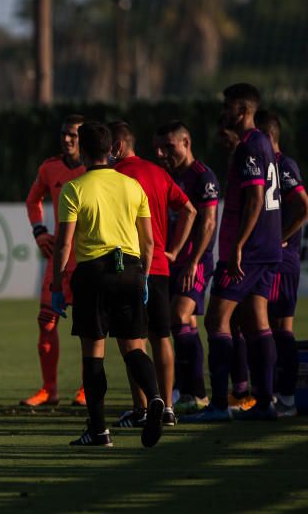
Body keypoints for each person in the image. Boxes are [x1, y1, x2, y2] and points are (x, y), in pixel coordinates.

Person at [50, 122, 164, 447]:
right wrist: (142, 277)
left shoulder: (74, 189)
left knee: (93, 354)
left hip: (94, 274)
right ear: (113, 149)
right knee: (133, 348)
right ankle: (155, 397)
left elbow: (64, 245)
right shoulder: (133, 187)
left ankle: (99, 430)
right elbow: (150, 243)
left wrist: (57, 285)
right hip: (130, 269)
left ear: (83, 152)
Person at [186, 83, 282, 422]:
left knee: (216, 320)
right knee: (257, 321)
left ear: (241, 110)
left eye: (228, 106)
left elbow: (256, 199)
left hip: (248, 250)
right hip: (265, 247)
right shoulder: (260, 143)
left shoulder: (250, 146)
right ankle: (266, 402)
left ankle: (218, 405)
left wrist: (239, 245)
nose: (223, 112)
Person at [110, 121, 196, 428]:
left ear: (116, 147)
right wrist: (172, 250)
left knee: (132, 341)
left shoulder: (115, 176)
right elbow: (190, 211)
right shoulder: (159, 173)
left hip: (128, 266)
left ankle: (142, 408)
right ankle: (169, 408)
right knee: (162, 336)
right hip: (159, 265)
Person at [154, 121, 220, 415]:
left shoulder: (202, 177)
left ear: (186, 143)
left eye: (169, 147)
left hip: (196, 261)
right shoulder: (168, 176)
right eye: (159, 147)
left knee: (179, 316)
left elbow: (208, 222)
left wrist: (194, 261)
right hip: (171, 261)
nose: (162, 153)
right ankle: (187, 390)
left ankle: (197, 392)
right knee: (182, 324)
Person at [22, 114, 87, 408]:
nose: (67, 139)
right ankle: (49, 389)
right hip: (58, 261)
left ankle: (88, 389)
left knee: (89, 327)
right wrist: (39, 231)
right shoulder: (50, 167)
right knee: (46, 323)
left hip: (89, 259)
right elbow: (32, 199)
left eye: (74, 134)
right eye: (64, 133)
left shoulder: (97, 168)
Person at [256, 110, 308, 418]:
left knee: (278, 326)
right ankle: (273, 392)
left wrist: (280, 238)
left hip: (282, 259)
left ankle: (287, 397)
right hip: (271, 259)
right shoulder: (265, 166)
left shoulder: (283, 165)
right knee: (266, 325)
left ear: (267, 137)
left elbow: (305, 208)